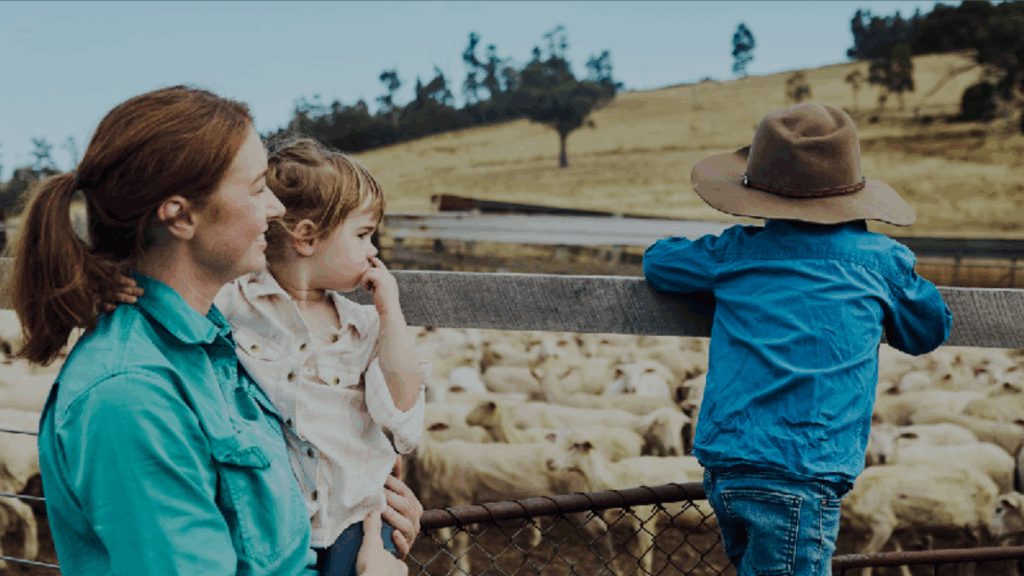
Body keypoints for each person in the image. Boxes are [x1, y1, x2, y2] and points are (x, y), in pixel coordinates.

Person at [12, 85, 411, 576]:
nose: (277, 209)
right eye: (257, 187)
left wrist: (365, 514)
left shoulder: (212, 344)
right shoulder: (132, 396)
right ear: (181, 215)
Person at [642, 102, 952, 576]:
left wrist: (732, 293)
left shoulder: (736, 251)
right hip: (804, 469)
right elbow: (928, 329)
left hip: (727, 463)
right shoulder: (879, 261)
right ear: (853, 196)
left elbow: (659, 263)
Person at [107, 135, 430, 576]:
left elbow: (403, 412)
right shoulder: (234, 301)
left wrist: (390, 312)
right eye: (363, 234)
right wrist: (114, 282)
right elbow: (174, 293)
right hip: (274, 525)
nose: (374, 251)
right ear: (307, 237)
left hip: (357, 522)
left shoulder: (364, 325)